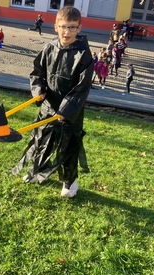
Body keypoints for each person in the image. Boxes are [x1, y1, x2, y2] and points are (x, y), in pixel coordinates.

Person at [12, 6, 94, 198]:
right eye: (64, 27)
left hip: (70, 111)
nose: (68, 32)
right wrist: (39, 90)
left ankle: (69, 181)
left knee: (67, 145)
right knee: (42, 140)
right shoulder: (50, 47)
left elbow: (82, 87)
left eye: (73, 27)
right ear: (56, 26)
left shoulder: (84, 54)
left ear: (79, 28)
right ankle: (40, 171)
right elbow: (37, 72)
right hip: (48, 105)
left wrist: (66, 110)